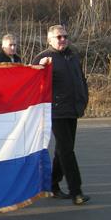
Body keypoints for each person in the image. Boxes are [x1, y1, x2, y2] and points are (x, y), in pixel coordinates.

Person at [32, 25, 90, 205]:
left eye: (65, 36)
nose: (63, 39)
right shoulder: (44, 58)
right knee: (67, 151)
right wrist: (39, 68)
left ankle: (52, 183)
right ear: (49, 40)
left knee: (62, 150)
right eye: (58, 37)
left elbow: (81, 78)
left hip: (73, 109)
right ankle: (76, 191)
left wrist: (84, 98)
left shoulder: (72, 56)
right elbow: (33, 82)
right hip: (56, 111)